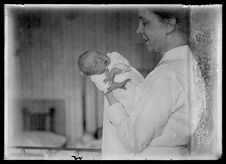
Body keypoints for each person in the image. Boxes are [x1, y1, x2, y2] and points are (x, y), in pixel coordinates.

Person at [103, 6, 206, 160]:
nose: (138, 30)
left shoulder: (166, 75)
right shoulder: (189, 65)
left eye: (144, 23)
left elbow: (133, 140)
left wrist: (110, 99)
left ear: (169, 24)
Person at [78, 50, 144, 115]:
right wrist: (120, 84)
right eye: (96, 63)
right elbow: (107, 88)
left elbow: (126, 65)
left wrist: (114, 70)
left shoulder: (113, 56)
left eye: (99, 55)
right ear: (94, 73)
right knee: (133, 109)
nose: (100, 60)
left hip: (137, 83)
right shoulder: (97, 78)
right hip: (125, 97)